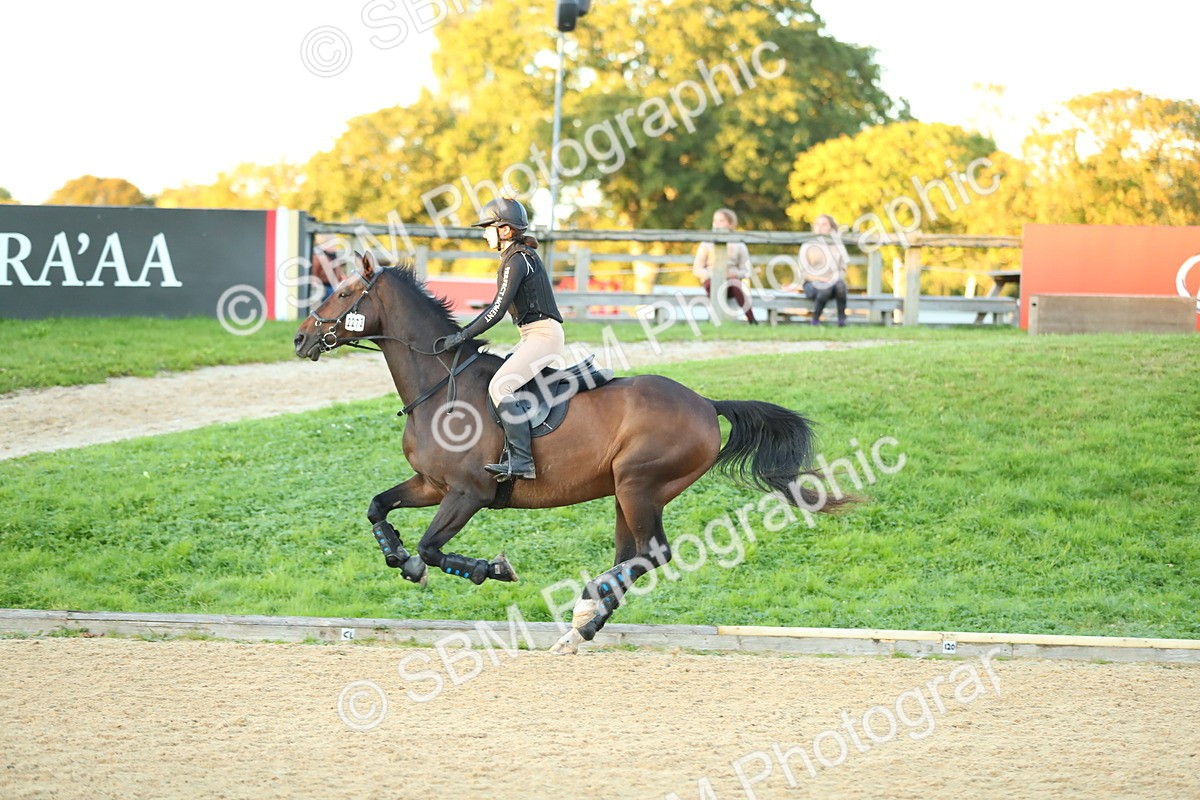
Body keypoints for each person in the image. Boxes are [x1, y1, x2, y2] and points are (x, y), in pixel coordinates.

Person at [435, 197, 565, 482]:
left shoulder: (516, 260)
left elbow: (496, 310)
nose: (484, 233)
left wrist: (462, 335)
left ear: (505, 230)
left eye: (488, 227)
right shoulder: (515, 257)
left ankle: (522, 461)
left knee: (501, 386)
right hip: (533, 334)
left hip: (543, 335)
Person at [693, 208, 758, 324]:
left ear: (731, 224)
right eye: (715, 220)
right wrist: (713, 275)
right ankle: (714, 319)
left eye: (721, 220)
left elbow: (747, 270)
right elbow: (697, 269)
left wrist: (735, 274)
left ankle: (751, 319)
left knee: (737, 285)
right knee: (715, 287)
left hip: (731, 282)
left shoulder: (739, 244)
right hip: (711, 280)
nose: (717, 223)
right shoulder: (706, 244)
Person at [798, 214, 850, 326]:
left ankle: (842, 319)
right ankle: (815, 319)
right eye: (818, 224)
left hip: (834, 283)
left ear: (831, 227)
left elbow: (843, 269)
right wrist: (820, 279)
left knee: (841, 285)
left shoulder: (838, 246)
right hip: (812, 283)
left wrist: (833, 279)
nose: (820, 227)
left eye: (824, 224)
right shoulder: (807, 246)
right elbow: (803, 273)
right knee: (824, 288)